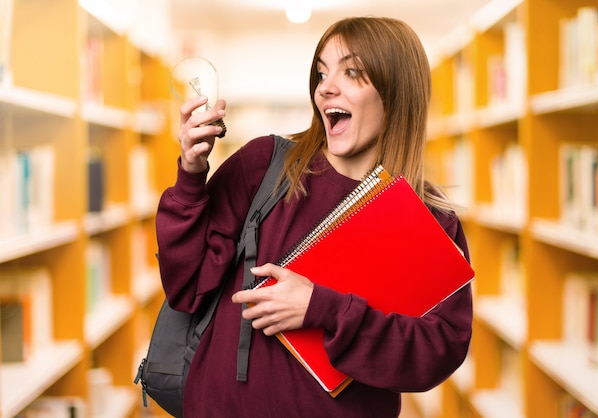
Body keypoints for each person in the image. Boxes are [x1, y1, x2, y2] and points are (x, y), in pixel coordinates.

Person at [156, 16, 472, 417]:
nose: (326, 87)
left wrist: (322, 309)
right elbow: (185, 288)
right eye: (321, 73)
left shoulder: (428, 218)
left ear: (396, 91)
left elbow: (437, 351)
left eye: (352, 72)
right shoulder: (263, 167)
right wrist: (190, 177)